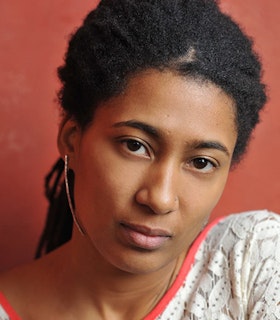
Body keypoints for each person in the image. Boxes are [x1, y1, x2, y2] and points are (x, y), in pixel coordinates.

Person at [0, 0, 279, 319]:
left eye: (201, 162)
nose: (159, 199)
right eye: (135, 145)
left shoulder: (255, 265)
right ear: (72, 140)